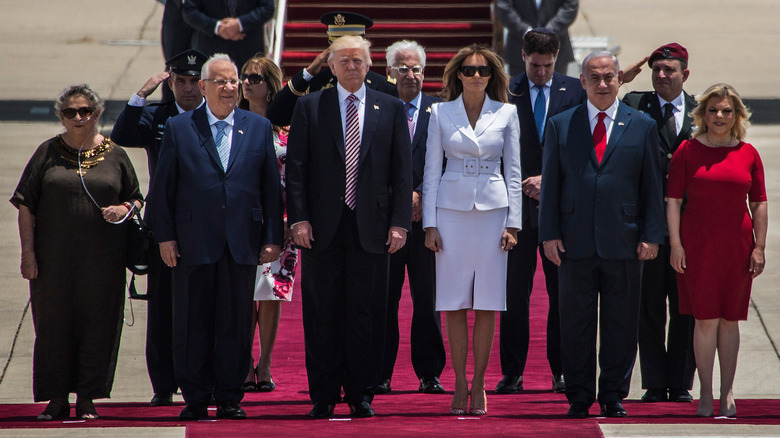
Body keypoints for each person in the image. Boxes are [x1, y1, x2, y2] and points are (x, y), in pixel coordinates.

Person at [148, 53, 283, 421]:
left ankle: (229, 395)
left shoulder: (256, 127)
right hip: (193, 243)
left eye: (233, 81)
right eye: (220, 81)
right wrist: (166, 237)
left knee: (235, 322)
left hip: (242, 242)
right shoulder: (180, 127)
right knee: (191, 322)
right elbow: (164, 190)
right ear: (203, 87)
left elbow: (270, 188)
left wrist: (272, 237)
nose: (229, 87)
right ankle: (194, 396)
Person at [286, 35, 412, 419]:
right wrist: (299, 218)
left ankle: (361, 393)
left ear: (369, 64)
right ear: (332, 66)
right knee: (322, 313)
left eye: (358, 60)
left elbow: (402, 173)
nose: (352, 67)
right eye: (344, 61)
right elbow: (296, 170)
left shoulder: (390, 108)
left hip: (372, 228)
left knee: (366, 312)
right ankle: (322, 395)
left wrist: (399, 224)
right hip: (322, 228)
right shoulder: (310, 106)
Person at [538, 51, 665, 418]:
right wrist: (549, 234)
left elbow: (651, 188)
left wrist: (651, 235)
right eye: (595, 77)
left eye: (609, 76)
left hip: (624, 241)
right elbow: (552, 187)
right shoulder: (562, 124)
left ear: (619, 79)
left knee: (620, 323)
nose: (603, 83)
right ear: (582, 82)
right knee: (575, 323)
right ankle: (579, 394)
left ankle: (612, 393)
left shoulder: (640, 125)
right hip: (573, 242)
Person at [11, 84, 144, 420]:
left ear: (97, 114)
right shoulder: (47, 153)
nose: (79, 117)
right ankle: (56, 399)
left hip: (103, 263)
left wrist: (122, 208)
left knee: (97, 326)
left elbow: (137, 197)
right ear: (61, 116)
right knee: (53, 328)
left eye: (85, 111)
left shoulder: (115, 154)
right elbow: (25, 205)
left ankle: (87, 398)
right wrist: (28, 255)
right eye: (70, 112)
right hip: (53, 264)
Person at [422, 44, 522, 416]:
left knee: (487, 303)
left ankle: (479, 382)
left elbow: (513, 171)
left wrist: (514, 223)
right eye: (469, 69)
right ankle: (459, 381)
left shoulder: (507, 113)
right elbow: (431, 170)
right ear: (458, 75)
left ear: (491, 75)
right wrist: (429, 223)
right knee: (453, 301)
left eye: (483, 70)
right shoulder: (439, 113)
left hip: (494, 212)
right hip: (450, 212)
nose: (476, 75)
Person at [111, 48, 207, 408]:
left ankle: (203, 379)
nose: (188, 88)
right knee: (164, 308)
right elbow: (122, 134)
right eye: (180, 81)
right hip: (165, 226)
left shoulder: (218, 115)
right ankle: (164, 384)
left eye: (195, 81)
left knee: (205, 307)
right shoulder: (158, 115)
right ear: (171, 82)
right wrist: (142, 94)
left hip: (208, 227)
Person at [667, 83, 767, 418]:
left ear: (736, 114)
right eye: (713, 110)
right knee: (705, 319)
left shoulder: (749, 153)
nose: (719, 116)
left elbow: (760, 203)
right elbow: (674, 202)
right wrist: (676, 244)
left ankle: (727, 394)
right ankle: (706, 394)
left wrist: (759, 247)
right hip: (697, 246)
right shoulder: (687, 151)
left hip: (737, 247)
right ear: (703, 114)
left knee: (730, 319)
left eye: (726, 110)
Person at [497, 28, 585, 395]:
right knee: (514, 295)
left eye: (549, 65)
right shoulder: (504, 89)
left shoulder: (575, 90)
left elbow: (581, 147)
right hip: (515, 210)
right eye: (536, 65)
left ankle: (561, 370)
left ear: (558, 57)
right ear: (523, 56)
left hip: (559, 209)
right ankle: (512, 372)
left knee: (560, 294)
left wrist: (546, 179)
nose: (543, 72)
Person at [622, 43, 697, 404]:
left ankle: (680, 382)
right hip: (648, 226)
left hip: (690, 229)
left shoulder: (703, 109)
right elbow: (591, 108)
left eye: (669, 69)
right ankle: (654, 381)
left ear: (685, 74)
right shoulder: (635, 104)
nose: (662, 76)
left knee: (686, 307)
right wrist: (619, 81)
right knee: (649, 307)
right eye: (656, 70)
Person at [376, 40, 446, 395]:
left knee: (428, 299)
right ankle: (380, 373)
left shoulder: (441, 111)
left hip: (428, 222)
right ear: (390, 73)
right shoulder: (379, 109)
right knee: (384, 300)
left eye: (416, 68)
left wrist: (421, 194)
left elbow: (448, 162)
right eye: (402, 68)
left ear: (425, 71)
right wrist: (400, 198)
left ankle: (429, 372)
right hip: (387, 222)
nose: (410, 75)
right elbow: (371, 165)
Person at [236, 54, 298, 393]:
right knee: (244, 296)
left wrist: (291, 219)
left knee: (271, 294)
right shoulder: (235, 122)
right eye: (244, 75)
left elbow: (298, 175)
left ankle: (266, 364)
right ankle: (244, 363)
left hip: (283, 223)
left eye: (255, 77)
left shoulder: (287, 127)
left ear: (270, 85)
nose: (247, 82)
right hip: (244, 222)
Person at [266, 11, 397, 127]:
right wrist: (308, 73)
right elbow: (277, 116)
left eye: (355, 56)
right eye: (340, 52)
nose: (350, 66)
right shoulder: (316, 83)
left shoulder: (383, 87)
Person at [182, 0, 274, 71]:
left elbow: (268, 7)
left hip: (248, 51)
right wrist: (217, 27)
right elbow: (189, 10)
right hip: (211, 51)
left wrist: (240, 24)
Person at [495, 0, 578, 76]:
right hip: (519, 51)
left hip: (556, 51)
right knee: (520, 90)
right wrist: (524, 30)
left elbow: (570, 6)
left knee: (556, 90)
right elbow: (504, 8)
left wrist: (550, 30)